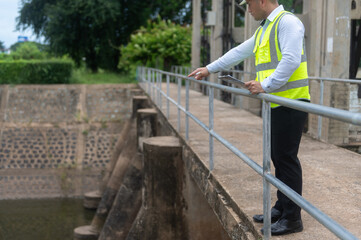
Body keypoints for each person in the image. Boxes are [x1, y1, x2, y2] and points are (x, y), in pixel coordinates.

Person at [188, 0, 310, 236]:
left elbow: (291, 60)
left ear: (263, 0)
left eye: (250, 3)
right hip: (275, 102)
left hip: (291, 101)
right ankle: (282, 207)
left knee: (286, 158)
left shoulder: (288, 23)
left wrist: (265, 84)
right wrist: (209, 68)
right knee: (277, 156)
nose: (248, 8)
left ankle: (293, 218)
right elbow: (238, 52)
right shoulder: (264, 28)